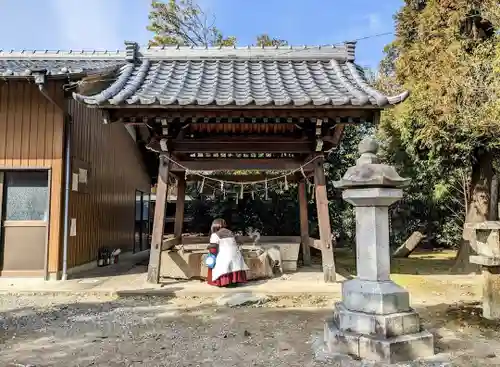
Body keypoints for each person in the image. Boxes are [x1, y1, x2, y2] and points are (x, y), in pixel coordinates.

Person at [207, 218, 249, 287]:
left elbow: (213, 250)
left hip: (225, 257)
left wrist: (210, 255)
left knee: (211, 260)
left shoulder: (215, 235)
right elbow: (240, 242)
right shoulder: (231, 233)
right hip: (237, 257)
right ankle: (234, 281)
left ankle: (223, 282)